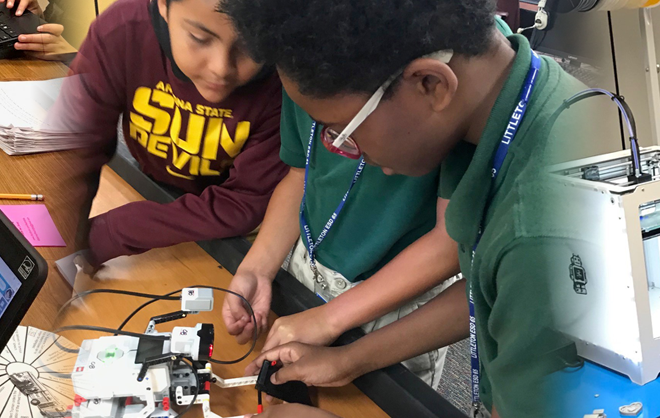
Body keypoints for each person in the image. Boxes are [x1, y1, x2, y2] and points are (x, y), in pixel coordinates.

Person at [222, 0, 599, 415]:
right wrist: (349, 360)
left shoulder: (533, 232)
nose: (349, 152)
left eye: (342, 133)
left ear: (431, 84)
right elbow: (486, 289)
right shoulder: (489, 101)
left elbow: (515, 279)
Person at [218, 91, 464, 387]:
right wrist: (257, 268)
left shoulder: (455, 104)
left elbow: (451, 241)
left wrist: (329, 320)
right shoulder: (297, 68)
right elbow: (300, 174)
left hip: (398, 303)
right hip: (304, 272)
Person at [49, 0, 288, 265]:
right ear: (162, 4)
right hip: (154, 188)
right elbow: (73, 150)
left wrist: (114, 230)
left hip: (244, 231)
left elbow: (246, 201)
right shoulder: (122, 31)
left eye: (252, 46)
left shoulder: (284, 76)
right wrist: (65, 236)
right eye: (199, 38)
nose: (221, 68)